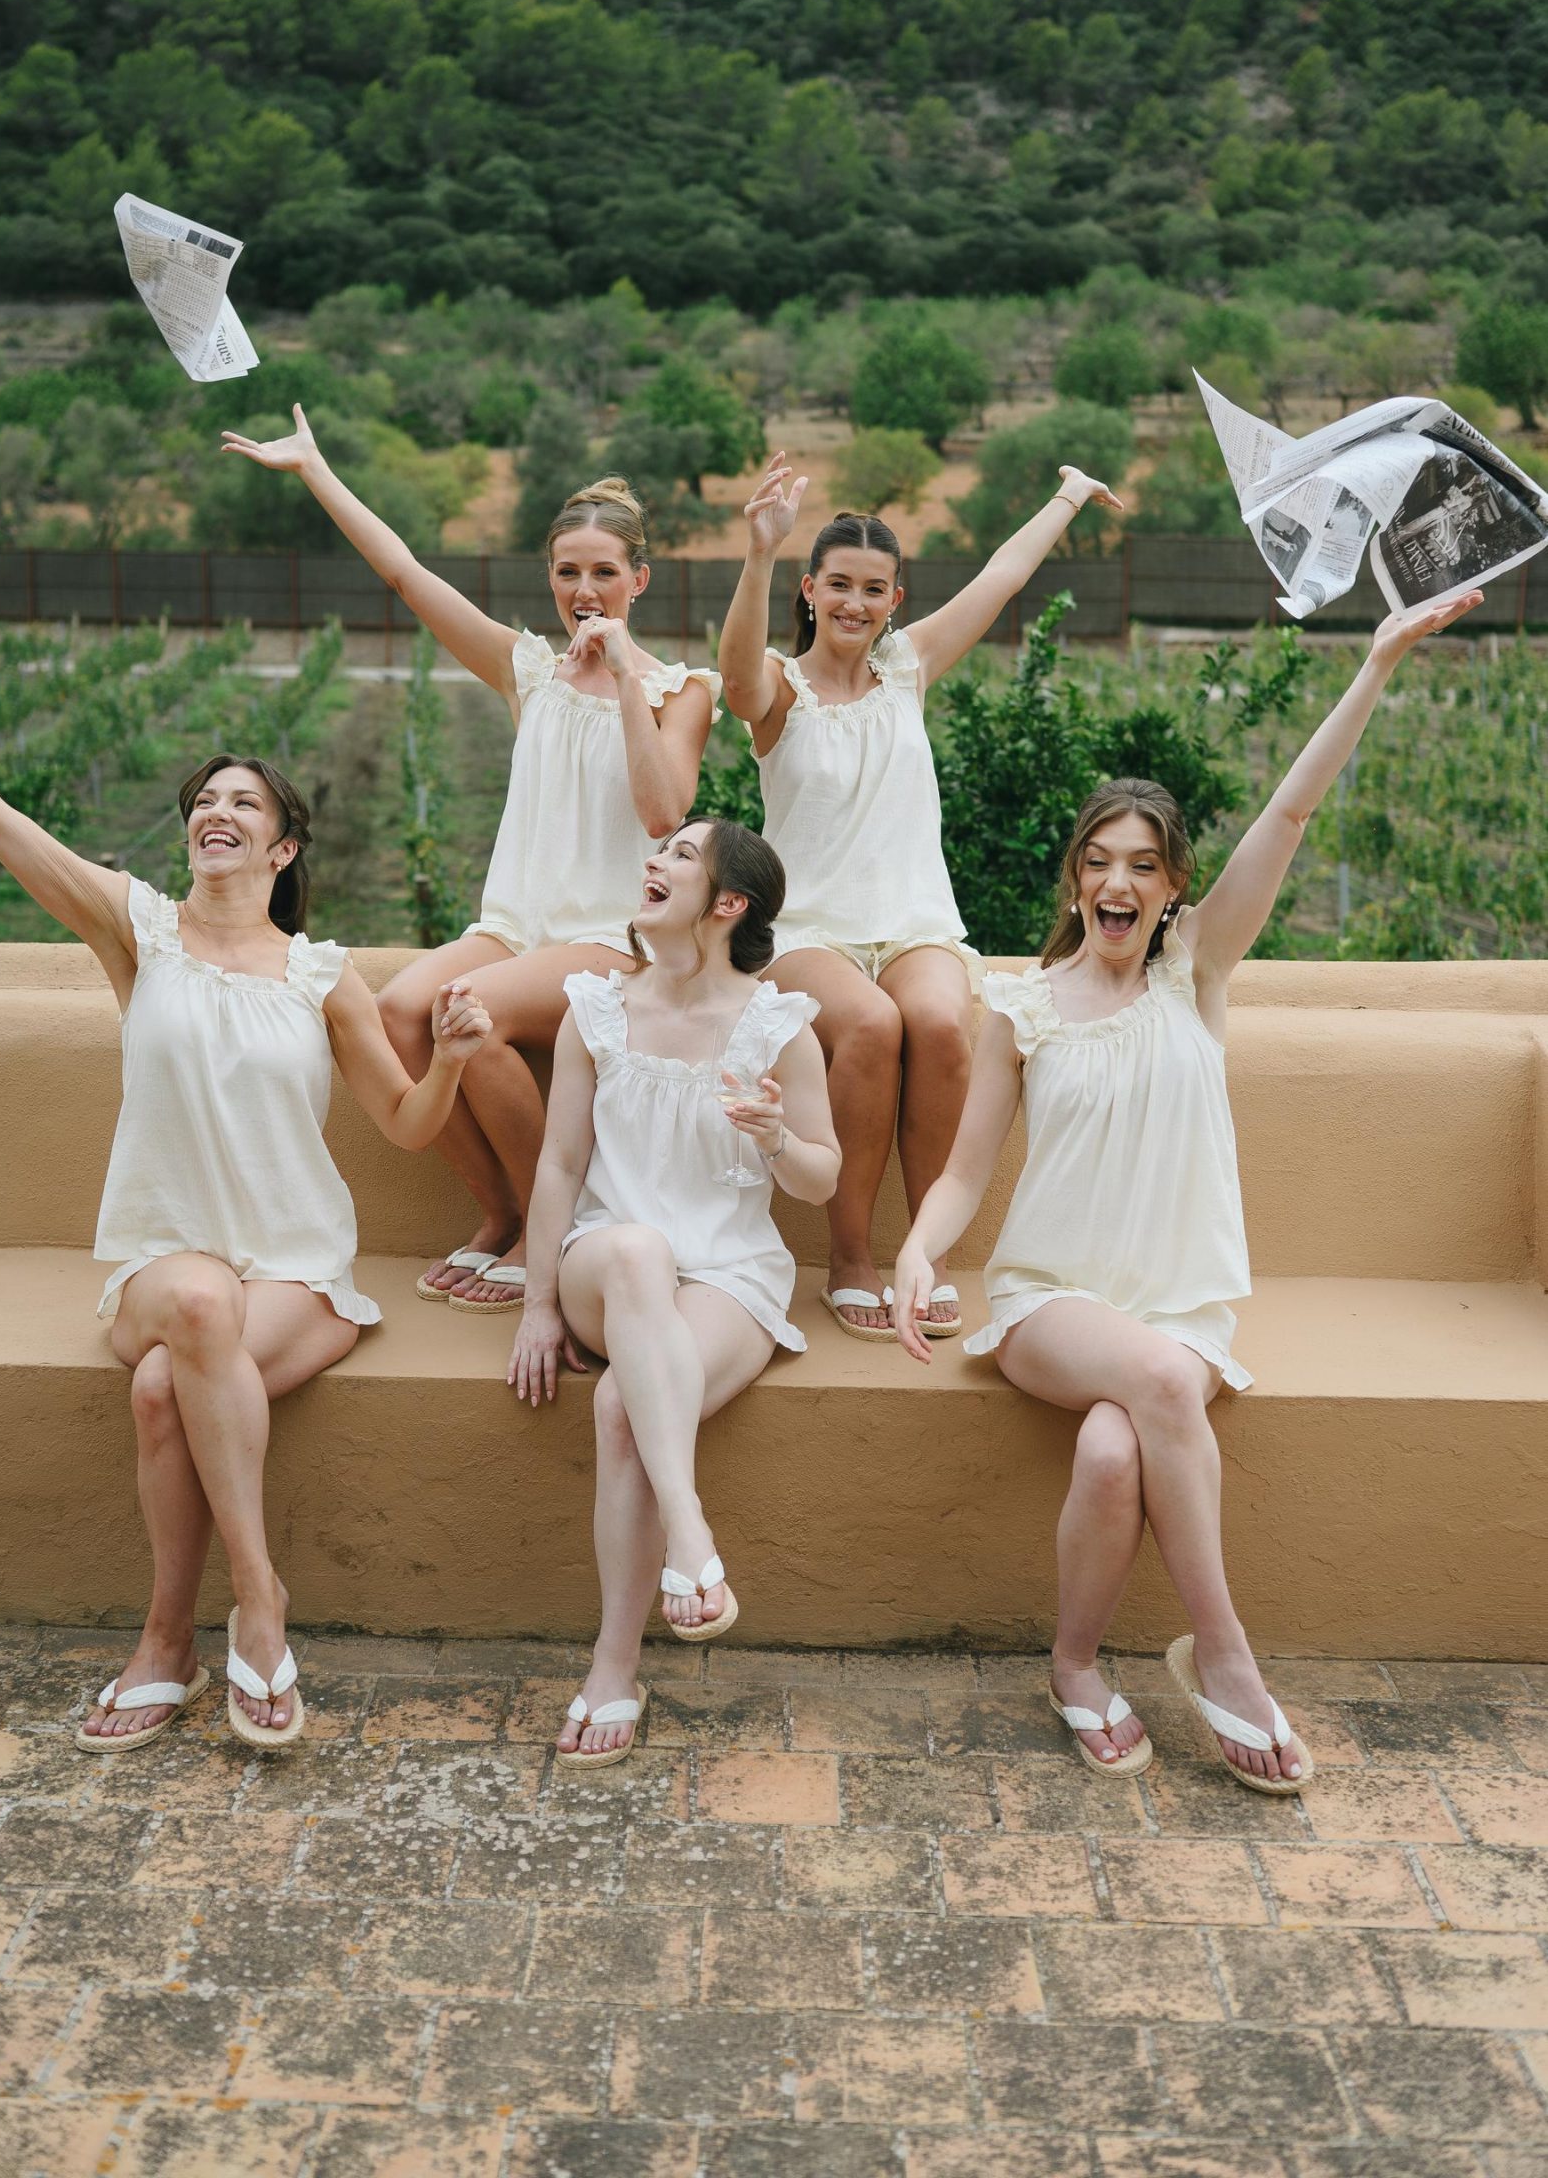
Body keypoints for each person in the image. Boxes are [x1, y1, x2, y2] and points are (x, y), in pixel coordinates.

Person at [0, 596, 490, 1753]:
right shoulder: (136, 932)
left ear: (284, 848)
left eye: (244, 801)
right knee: (193, 1302)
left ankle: (165, 1643)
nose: (216, 811)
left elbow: (402, 1122)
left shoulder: (323, 975)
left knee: (161, 1390)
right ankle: (262, 1601)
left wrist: (449, 1060)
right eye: (204, 801)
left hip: (296, 1266)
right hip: (161, 1260)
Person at [893, 590, 1482, 1791]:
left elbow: (1295, 808)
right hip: (1052, 1305)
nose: (1121, 883)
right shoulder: (1018, 1007)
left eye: (1145, 867)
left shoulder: (1195, 975)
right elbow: (961, 1171)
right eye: (1100, 862)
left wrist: (1375, 661)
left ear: (1171, 888)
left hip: (1181, 1306)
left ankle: (1073, 1666)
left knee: (1117, 1454)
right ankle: (1225, 1656)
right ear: (1075, 880)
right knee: (1152, 1384)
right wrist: (916, 1253)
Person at [218, 408, 718, 1313]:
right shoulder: (525, 668)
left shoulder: (682, 691)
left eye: (604, 572)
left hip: (612, 935)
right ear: (551, 581)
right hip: (514, 925)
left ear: (638, 579)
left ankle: (547, 1225)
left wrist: (626, 677)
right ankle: (497, 1211)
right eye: (568, 572)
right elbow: (407, 577)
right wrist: (316, 471)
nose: (585, 588)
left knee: (471, 1015)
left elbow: (661, 810)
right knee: (398, 1011)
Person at [719, 453, 1121, 1341]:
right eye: (838, 586)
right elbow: (736, 679)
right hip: (810, 929)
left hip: (913, 922)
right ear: (811, 592)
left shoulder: (908, 669)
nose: (855, 604)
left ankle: (926, 1256)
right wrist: (757, 554)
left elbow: (1001, 577)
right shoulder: (779, 689)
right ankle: (853, 1254)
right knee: (868, 1026)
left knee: (941, 1025)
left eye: (874, 589)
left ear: (894, 599)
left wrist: (1066, 492)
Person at [507, 819, 839, 1766]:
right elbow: (561, 1161)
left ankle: (614, 1666)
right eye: (658, 852)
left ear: (728, 903)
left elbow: (818, 1178)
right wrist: (535, 1304)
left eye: (681, 856)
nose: (653, 863)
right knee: (640, 1248)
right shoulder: (595, 1010)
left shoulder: (780, 1027)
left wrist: (777, 1137)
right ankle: (690, 1529)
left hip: (731, 1273)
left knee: (621, 1405)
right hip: (600, 1265)